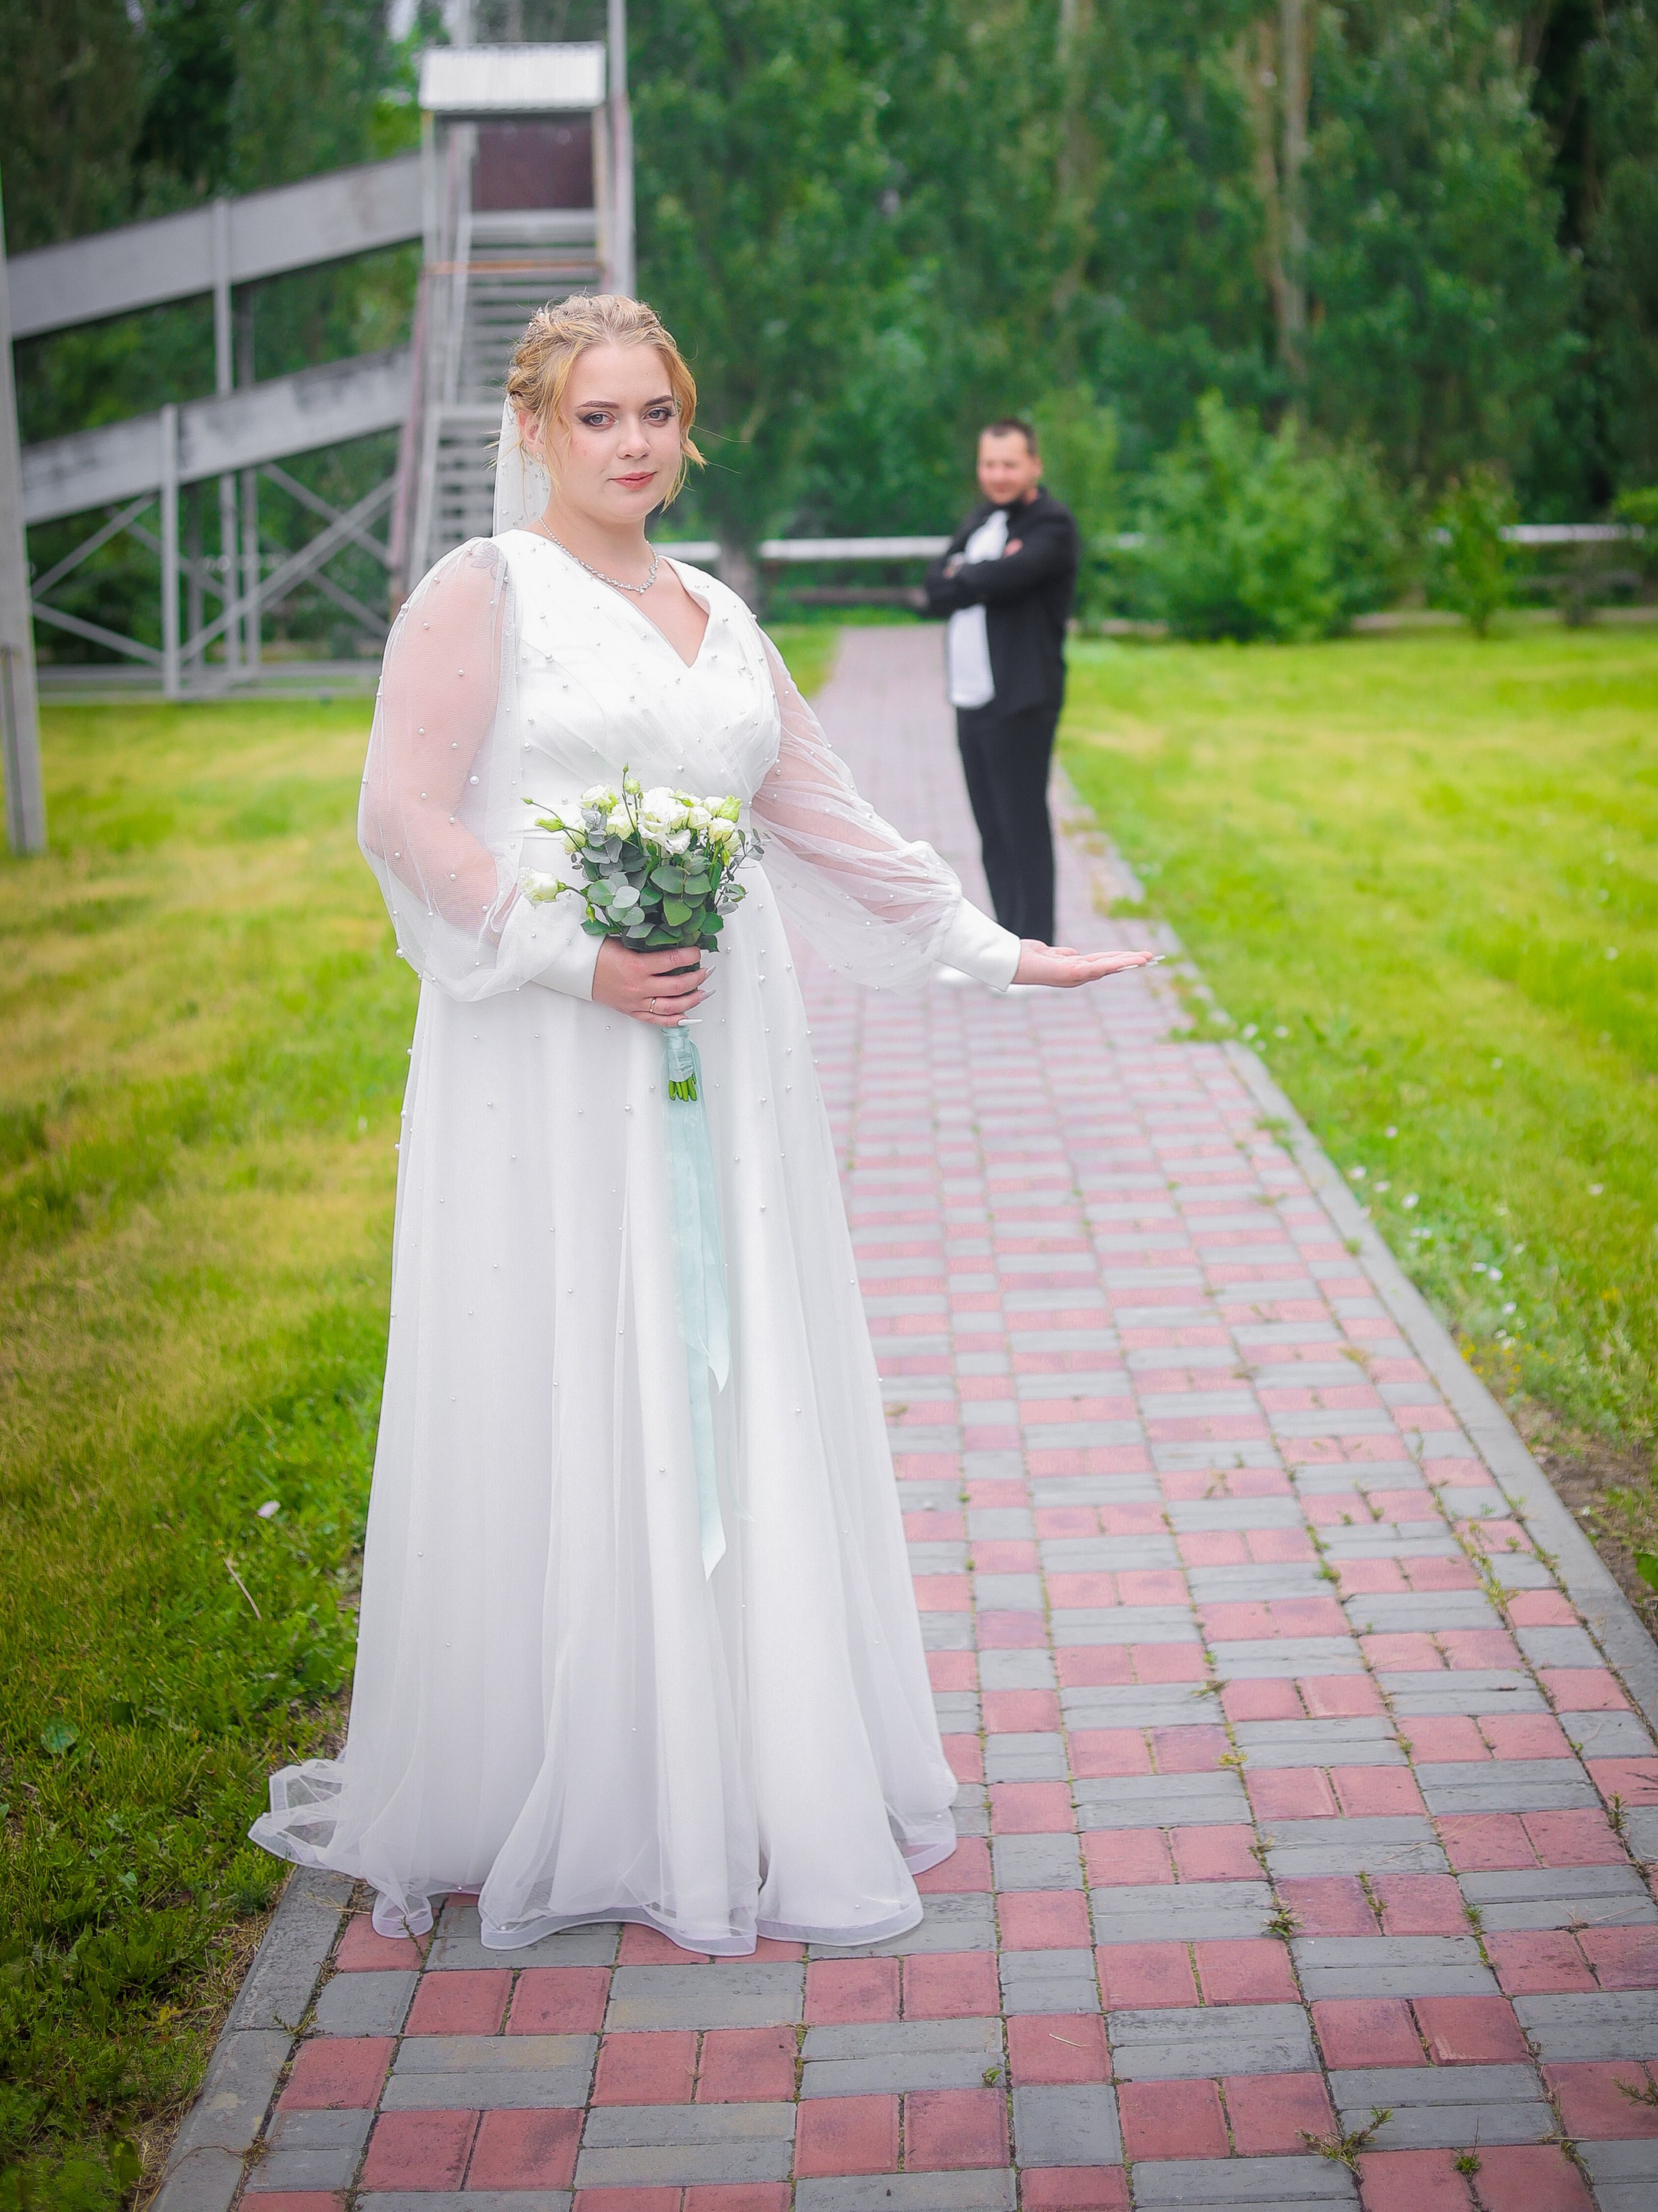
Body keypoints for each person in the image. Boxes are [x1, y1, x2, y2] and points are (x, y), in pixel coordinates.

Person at [250, 295, 1147, 1954]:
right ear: (534, 430)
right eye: (598, 418)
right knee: (571, 1353)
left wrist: (997, 951)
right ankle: (560, 1767)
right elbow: (402, 809)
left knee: (723, 1359)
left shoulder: (718, 619)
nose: (634, 445)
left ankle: (723, 1752)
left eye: (655, 414)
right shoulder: (482, 593)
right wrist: (568, 955)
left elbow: (825, 820)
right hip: (551, 1052)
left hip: (725, 1053)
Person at [924, 417, 1077, 944]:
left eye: (1010, 464)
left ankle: (1038, 946)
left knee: (1023, 823)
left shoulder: (1051, 525)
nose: (998, 474)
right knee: (991, 827)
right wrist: (977, 574)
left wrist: (967, 574)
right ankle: (1008, 947)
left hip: (1022, 696)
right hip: (972, 696)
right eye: (989, 464)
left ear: (1034, 464)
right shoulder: (981, 520)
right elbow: (932, 590)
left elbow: (1007, 577)